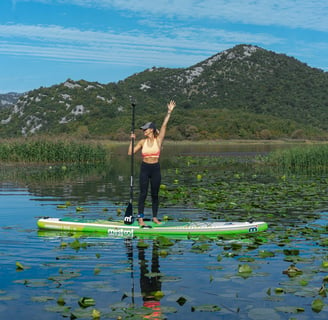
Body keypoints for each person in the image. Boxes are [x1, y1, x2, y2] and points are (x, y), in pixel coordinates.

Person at [128, 100, 176, 227]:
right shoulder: (142, 142)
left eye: (145, 129)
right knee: (143, 194)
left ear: (151, 130)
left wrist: (169, 112)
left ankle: (155, 217)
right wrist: (131, 141)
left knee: (155, 194)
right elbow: (130, 153)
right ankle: (140, 219)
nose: (143, 131)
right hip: (145, 168)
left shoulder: (158, 141)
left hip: (155, 168)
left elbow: (164, 126)